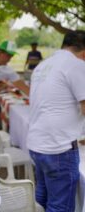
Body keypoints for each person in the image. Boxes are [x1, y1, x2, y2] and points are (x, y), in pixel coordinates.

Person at [26, 30, 85, 211]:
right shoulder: (76, 65)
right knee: (60, 205)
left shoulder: (44, 65)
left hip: (38, 144)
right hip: (59, 148)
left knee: (43, 198)